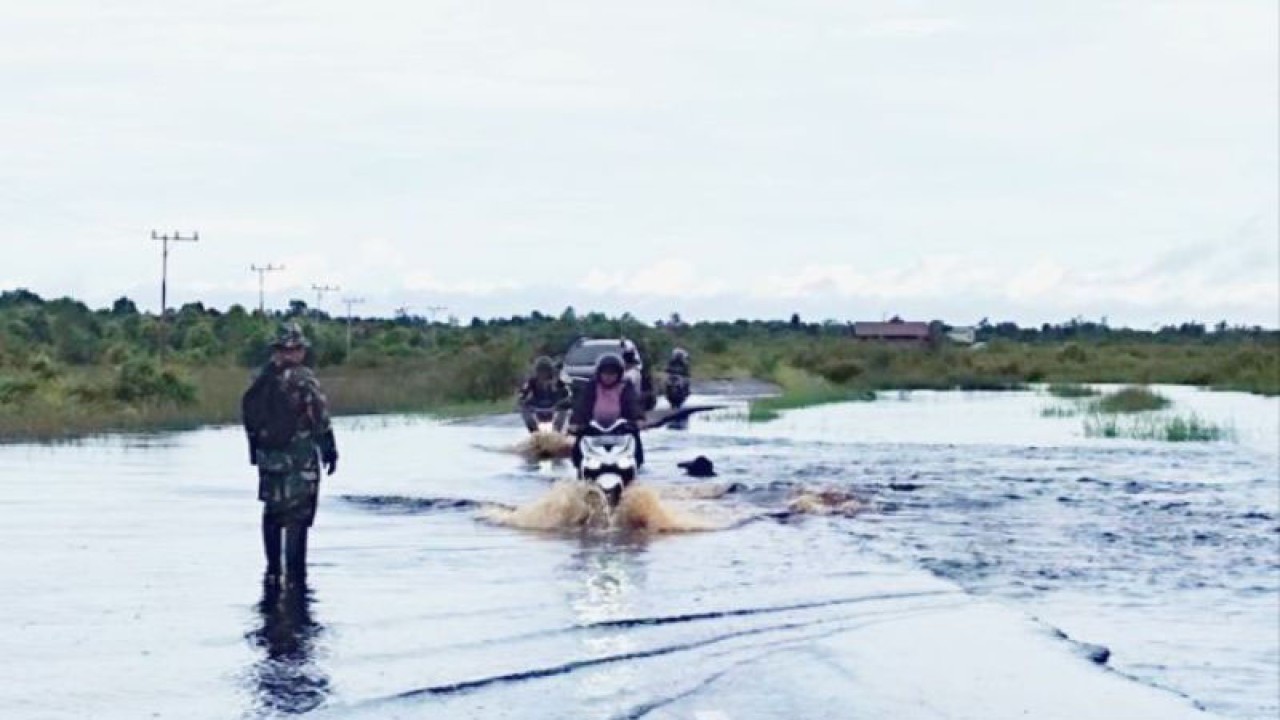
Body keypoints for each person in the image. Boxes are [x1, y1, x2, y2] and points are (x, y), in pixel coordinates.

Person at [242, 323, 338, 581]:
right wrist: (329, 448)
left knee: (272, 513)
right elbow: (319, 416)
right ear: (296, 350)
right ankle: (295, 577)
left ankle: (272, 572)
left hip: (269, 460)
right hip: (299, 460)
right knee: (297, 517)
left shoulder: (261, 377)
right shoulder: (303, 378)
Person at [568, 353, 645, 468]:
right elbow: (583, 404)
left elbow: (632, 403)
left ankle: (636, 465)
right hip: (594, 427)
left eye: (612, 373)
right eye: (605, 373)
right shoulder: (592, 386)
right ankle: (579, 465)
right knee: (581, 437)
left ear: (619, 374)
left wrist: (638, 419)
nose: (608, 377)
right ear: (599, 373)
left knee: (634, 436)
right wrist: (576, 422)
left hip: (620, 428)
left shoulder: (625, 386)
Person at [517, 356, 571, 433]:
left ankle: (557, 431)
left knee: (565, 408)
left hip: (554, 405)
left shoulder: (557, 380)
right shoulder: (532, 381)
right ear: (537, 372)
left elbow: (566, 393)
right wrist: (522, 399)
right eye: (541, 371)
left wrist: (563, 399)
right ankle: (534, 430)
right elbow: (523, 392)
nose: (543, 374)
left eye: (545, 371)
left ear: (550, 371)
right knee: (523, 408)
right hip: (537, 404)